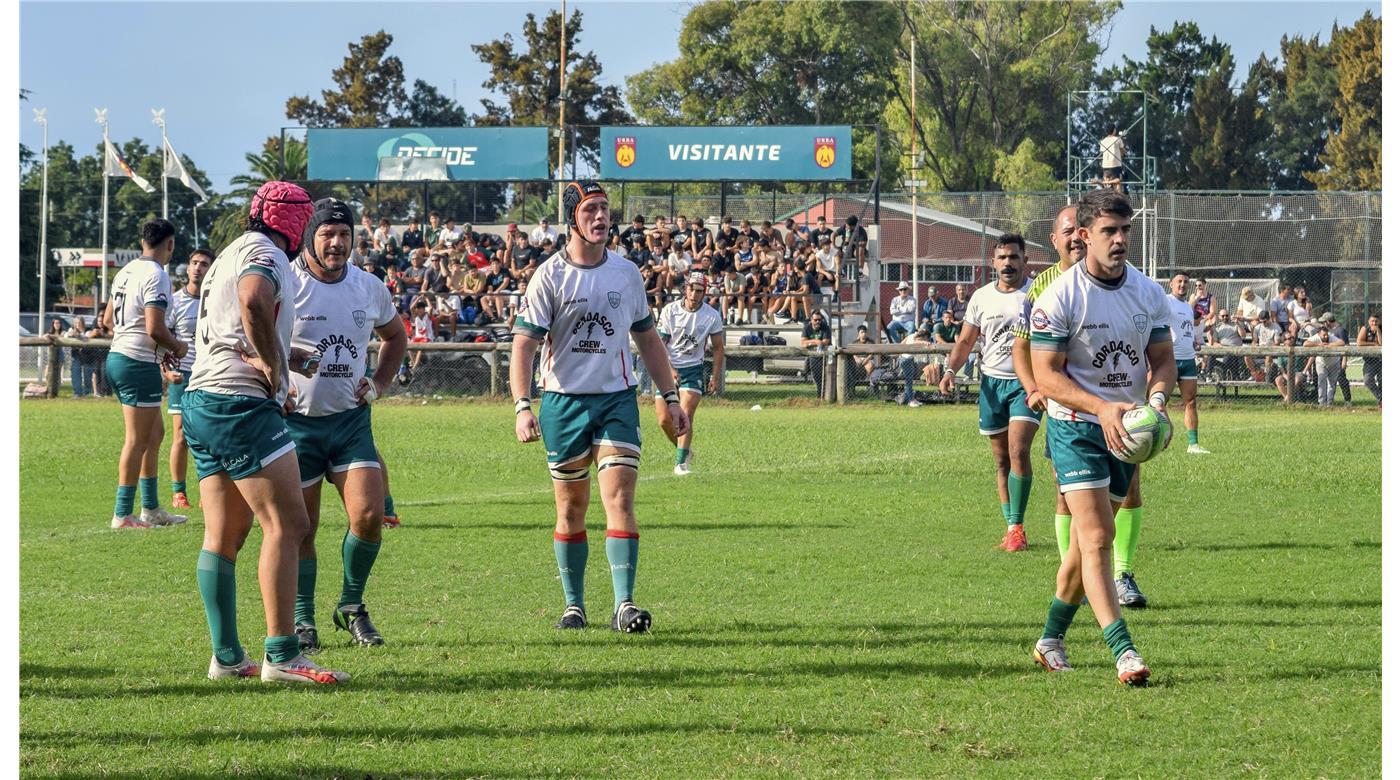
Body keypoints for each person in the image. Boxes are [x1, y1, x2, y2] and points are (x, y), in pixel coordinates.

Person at [181, 180, 348, 684]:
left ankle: (228, 657)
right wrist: (276, 371)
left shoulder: (231, 250)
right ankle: (282, 655)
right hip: (240, 405)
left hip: (201, 400)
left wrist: (281, 351)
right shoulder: (267, 254)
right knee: (290, 526)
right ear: (295, 224)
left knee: (225, 534)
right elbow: (254, 302)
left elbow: (233, 324)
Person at [511, 181, 688, 633]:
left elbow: (648, 340)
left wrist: (669, 396)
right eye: (590, 209)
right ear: (573, 218)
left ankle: (624, 604)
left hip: (616, 401)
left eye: (605, 209)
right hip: (563, 403)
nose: (600, 217)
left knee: (620, 497)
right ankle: (574, 605)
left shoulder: (625, 273)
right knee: (571, 507)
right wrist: (522, 406)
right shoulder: (549, 275)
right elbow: (524, 346)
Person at [1027, 189, 1175, 686]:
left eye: (1125, 230)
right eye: (1109, 231)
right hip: (1075, 427)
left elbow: (1163, 362)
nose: (1120, 240)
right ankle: (1124, 650)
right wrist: (1101, 407)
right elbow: (1046, 376)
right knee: (1096, 538)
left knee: (1081, 551)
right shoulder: (1059, 297)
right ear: (1084, 236)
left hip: (1125, 434)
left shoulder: (1148, 293)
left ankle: (1050, 639)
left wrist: (1154, 407)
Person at [285, 198, 409, 654]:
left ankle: (351, 606)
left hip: (350, 424)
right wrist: (274, 383)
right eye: (327, 235)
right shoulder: (287, 282)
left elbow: (395, 336)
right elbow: (253, 336)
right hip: (295, 427)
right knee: (301, 528)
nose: (337, 244)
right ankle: (302, 619)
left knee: (369, 516)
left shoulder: (368, 287)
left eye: (344, 235)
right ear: (309, 238)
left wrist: (378, 382)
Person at [941, 234, 1038, 551]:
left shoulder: (1038, 293)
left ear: (1025, 260)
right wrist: (950, 371)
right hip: (992, 383)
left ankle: (1017, 527)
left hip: (1027, 384)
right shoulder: (981, 297)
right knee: (1001, 461)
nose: (1008, 263)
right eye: (1002, 257)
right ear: (993, 262)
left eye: (1014, 257)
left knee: (1018, 450)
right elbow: (966, 341)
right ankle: (1009, 524)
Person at [103, 218, 189, 530]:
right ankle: (122, 514)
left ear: (143, 242)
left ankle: (151, 508)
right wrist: (177, 346)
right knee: (137, 440)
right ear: (170, 244)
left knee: (155, 435)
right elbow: (154, 328)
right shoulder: (158, 275)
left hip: (120, 357)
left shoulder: (125, 272)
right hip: (136, 363)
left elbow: (107, 320)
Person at [1012, 205, 1082, 565]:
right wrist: (1033, 388)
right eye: (1067, 231)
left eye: (1081, 228)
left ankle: (1120, 572)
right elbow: (1020, 347)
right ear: (1055, 240)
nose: (1075, 237)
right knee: (1066, 489)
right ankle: (1072, 572)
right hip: (1064, 405)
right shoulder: (1042, 285)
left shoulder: (1117, 279)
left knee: (1126, 490)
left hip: (1113, 398)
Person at [655, 272, 725, 476]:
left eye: (699, 291)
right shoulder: (670, 311)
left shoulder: (712, 315)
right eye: (691, 289)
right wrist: (669, 369)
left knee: (684, 415)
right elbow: (660, 345)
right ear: (685, 289)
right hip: (667, 368)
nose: (695, 294)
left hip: (693, 369)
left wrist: (715, 377)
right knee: (663, 420)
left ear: (704, 293)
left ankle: (680, 464)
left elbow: (719, 348)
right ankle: (685, 450)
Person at [165, 248, 214, 509]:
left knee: (208, 435)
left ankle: (209, 491)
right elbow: (163, 340)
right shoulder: (175, 301)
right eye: (194, 263)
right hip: (182, 374)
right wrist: (165, 370)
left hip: (208, 373)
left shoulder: (215, 299)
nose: (197, 268)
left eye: (204, 264)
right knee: (181, 435)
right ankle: (179, 492)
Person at [1165, 273, 1208, 454]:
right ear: (1171, 284)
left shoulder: (1188, 307)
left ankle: (1193, 444)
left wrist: (1192, 342)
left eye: (1185, 282)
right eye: (1179, 282)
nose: (1182, 285)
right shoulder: (1165, 301)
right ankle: (1159, 440)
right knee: (1159, 401)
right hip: (1169, 359)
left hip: (1188, 359)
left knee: (1190, 401)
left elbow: (1185, 329)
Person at [66, 316, 94, 398]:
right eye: (76, 323)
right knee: (75, 373)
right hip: (76, 355)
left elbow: (87, 338)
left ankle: (87, 392)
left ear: (83, 323)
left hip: (87, 355)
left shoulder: (87, 330)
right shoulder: (71, 329)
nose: (77, 324)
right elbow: (66, 336)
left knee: (87, 374)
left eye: (79, 322)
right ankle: (77, 393)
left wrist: (78, 336)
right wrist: (70, 334)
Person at [1357, 313, 1381, 406]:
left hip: (1382, 360)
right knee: (1367, 380)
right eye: (1372, 321)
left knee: (1382, 381)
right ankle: (1382, 397)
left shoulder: (1382, 328)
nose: (1374, 323)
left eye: (1376, 321)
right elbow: (1359, 342)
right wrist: (1374, 344)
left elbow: (1382, 343)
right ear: (1368, 321)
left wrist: (1378, 330)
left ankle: (1381, 403)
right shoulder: (1364, 329)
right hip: (1370, 361)